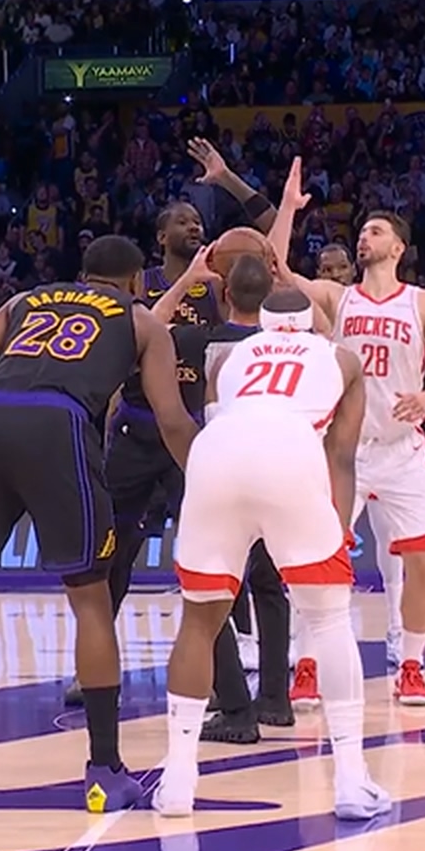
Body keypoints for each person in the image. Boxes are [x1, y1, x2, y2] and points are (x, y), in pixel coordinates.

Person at [0, 234, 199, 816]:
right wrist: (209, 473)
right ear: (137, 281)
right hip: (60, 426)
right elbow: (170, 419)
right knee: (91, 601)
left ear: (83, 275)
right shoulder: (142, 321)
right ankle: (103, 772)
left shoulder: (27, 300)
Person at [156, 278, 388, 820]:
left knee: (199, 620)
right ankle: (351, 779)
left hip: (216, 452)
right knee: (328, 618)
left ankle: (177, 779)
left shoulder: (226, 359)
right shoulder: (342, 358)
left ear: (260, 324)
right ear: (311, 325)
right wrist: (339, 527)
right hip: (291, 449)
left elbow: (211, 424)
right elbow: (342, 456)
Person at [269, 157, 425, 707]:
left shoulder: (423, 302)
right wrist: (287, 207)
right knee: (316, 557)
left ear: (398, 247)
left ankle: (412, 664)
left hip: (402, 451)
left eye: (375, 231)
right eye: (362, 232)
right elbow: (277, 269)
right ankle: (306, 664)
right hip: (345, 451)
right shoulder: (339, 298)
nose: (364, 237)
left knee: (422, 563)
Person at [71, 203, 216, 708]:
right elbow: (132, 339)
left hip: (189, 433)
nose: (193, 226)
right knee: (114, 552)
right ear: (161, 236)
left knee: (211, 552)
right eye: (182, 221)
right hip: (135, 430)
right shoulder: (140, 283)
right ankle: (91, 667)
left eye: (197, 221)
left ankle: (225, 669)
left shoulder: (215, 288)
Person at [163, 248, 297, 743]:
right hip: (278, 469)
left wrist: (185, 282)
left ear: (223, 293)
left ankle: (237, 710)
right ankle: (276, 700)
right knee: (270, 587)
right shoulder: (292, 347)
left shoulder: (200, 338)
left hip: (221, 469)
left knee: (207, 592)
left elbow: (148, 326)